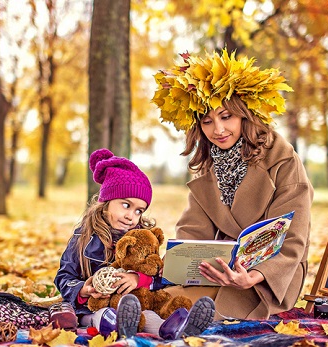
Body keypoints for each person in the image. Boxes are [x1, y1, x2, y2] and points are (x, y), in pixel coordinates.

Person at [151, 49, 314, 320]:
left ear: (244, 114)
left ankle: (174, 324)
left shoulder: (282, 160)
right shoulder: (208, 166)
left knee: (189, 310)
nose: (218, 130)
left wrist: (255, 275)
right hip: (218, 267)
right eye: (207, 121)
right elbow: (193, 230)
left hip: (268, 276)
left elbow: (294, 237)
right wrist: (174, 262)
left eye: (226, 117)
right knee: (163, 300)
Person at [54, 148, 215, 339]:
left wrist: (139, 279)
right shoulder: (83, 238)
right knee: (102, 316)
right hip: (92, 307)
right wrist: (82, 289)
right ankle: (116, 326)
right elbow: (64, 275)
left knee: (148, 315)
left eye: (139, 211)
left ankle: (175, 330)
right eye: (126, 205)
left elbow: (158, 275)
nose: (131, 216)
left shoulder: (141, 240)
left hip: (134, 305)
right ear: (105, 201)